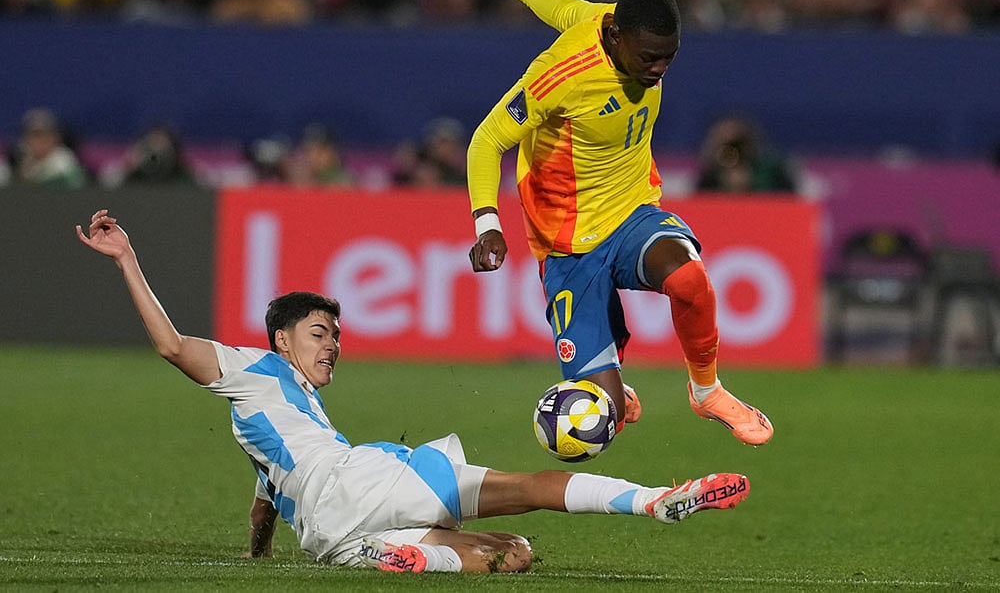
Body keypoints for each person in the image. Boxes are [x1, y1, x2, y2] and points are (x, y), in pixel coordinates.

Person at [75, 209, 751, 574]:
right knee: (534, 485)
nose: (331, 343)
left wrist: (257, 559)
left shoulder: (272, 416)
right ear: (280, 337)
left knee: (509, 552)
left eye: (335, 334)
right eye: (318, 332)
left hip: (327, 533)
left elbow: (262, 506)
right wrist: (128, 258)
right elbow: (171, 344)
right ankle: (657, 501)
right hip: (357, 476)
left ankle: (412, 556)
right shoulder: (252, 365)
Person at [467, 0, 773, 447]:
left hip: (631, 210)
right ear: (615, 38)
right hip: (567, 241)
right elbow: (486, 141)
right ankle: (611, 388)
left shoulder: (613, 19)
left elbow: (566, 8)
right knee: (597, 425)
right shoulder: (559, 75)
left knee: (690, 278)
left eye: (668, 58)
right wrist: (487, 224)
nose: (657, 70)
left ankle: (707, 390)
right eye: (648, 58)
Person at [695, 113, 798, 194]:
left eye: (738, 145)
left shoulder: (774, 176)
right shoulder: (708, 181)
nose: (732, 153)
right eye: (726, 146)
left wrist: (751, 187)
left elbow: (789, 205)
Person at [14, 107, 88, 188]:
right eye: (34, 136)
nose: (40, 141)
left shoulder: (63, 160)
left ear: (55, 138)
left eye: (43, 135)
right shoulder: (26, 159)